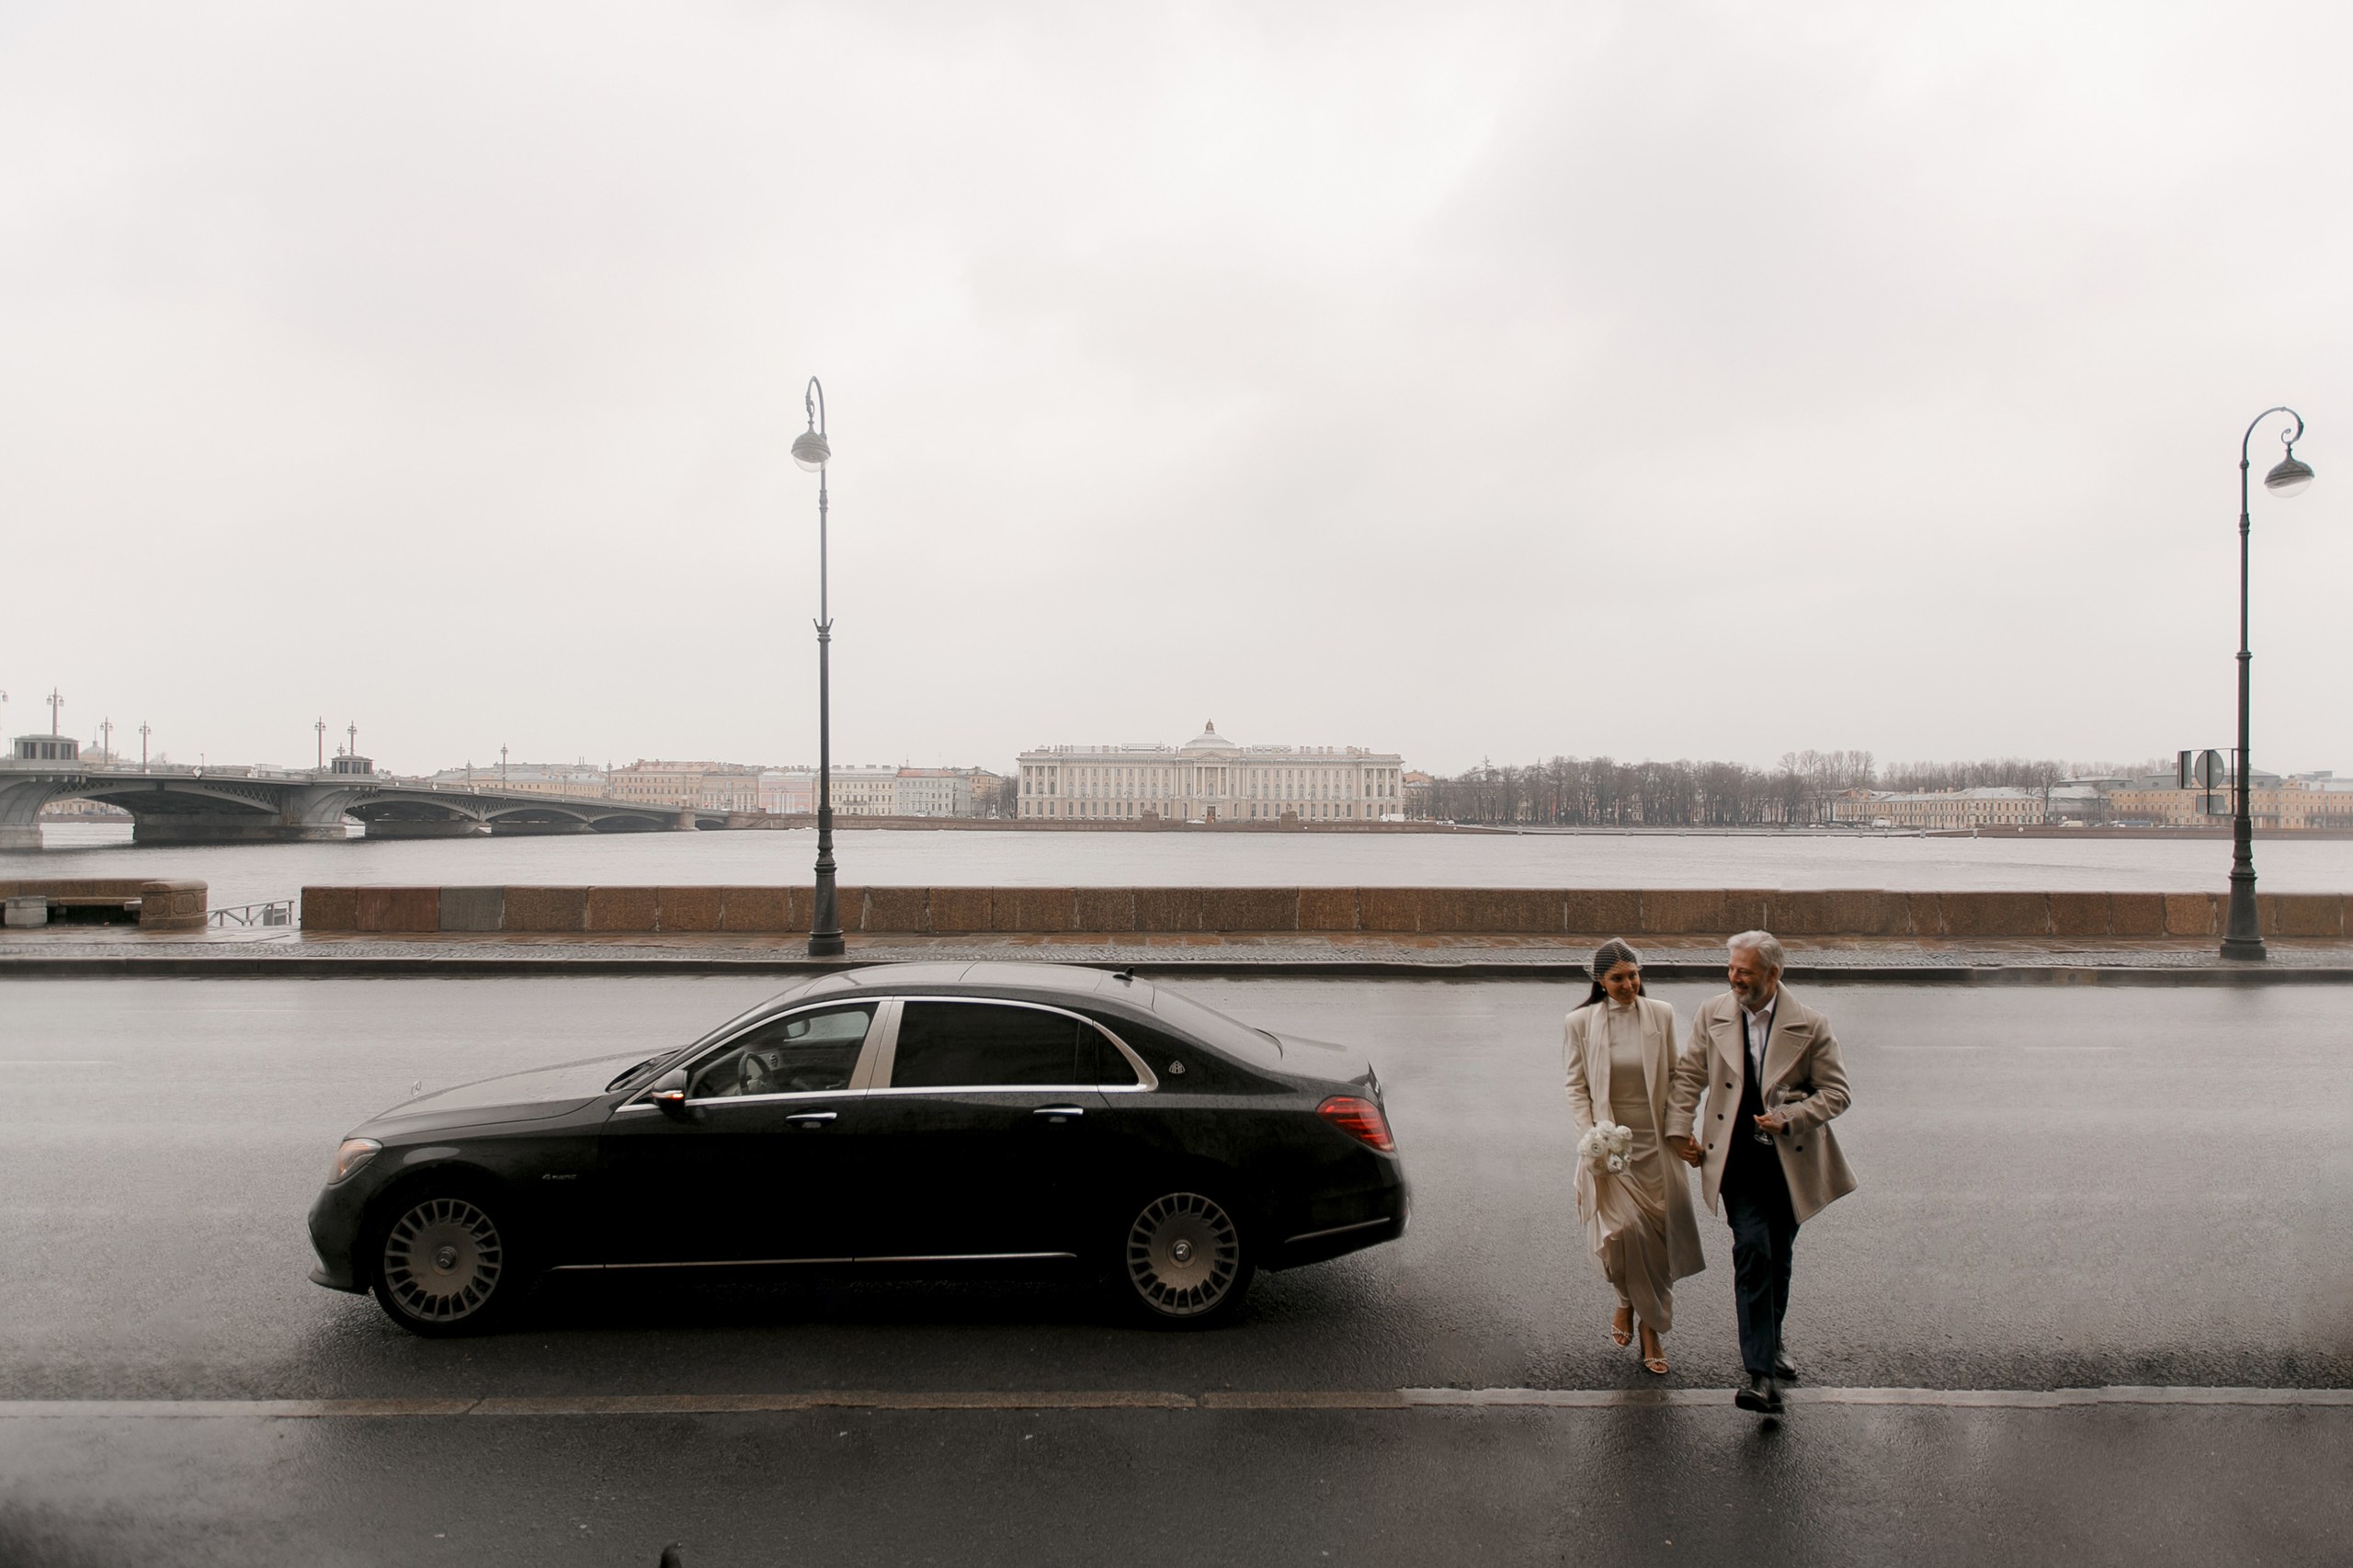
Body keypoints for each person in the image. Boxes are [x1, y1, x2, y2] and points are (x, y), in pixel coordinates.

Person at [1667, 930, 1855, 1414]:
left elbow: (1836, 1094)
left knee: (1778, 1255)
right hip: (1735, 1160)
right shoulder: (1713, 1013)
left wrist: (1790, 1116)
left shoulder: (1811, 1025)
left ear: (1774, 974)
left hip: (1790, 1163)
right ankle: (1761, 1376)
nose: (1734, 978)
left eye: (1744, 971)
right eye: (1730, 968)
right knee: (1752, 1251)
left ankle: (1771, 1343)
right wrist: (1679, 1129)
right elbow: (1690, 1073)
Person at [1563, 938, 1706, 1375]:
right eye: (1617, 978)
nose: (1628, 985)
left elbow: (1679, 1076)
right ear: (1600, 981)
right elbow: (1576, 1086)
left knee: (1657, 1242)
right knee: (1623, 1234)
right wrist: (1592, 1139)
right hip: (1611, 1153)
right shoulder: (1580, 1022)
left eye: (1633, 975)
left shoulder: (1659, 1014)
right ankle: (1625, 1299)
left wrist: (1683, 1131)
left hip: (1656, 1146)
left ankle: (1652, 1327)